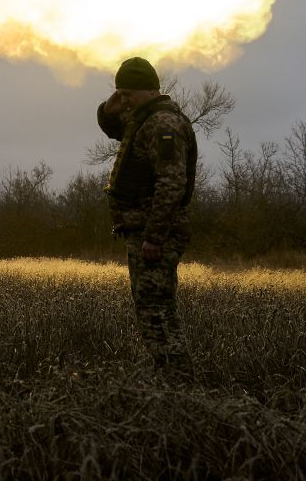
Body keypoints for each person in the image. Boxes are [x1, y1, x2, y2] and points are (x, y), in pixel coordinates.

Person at [98, 56, 198, 378]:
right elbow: (116, 129)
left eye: (128, 94)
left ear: (148, 90)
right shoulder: (144, 119)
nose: (123, 101)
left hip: (154, 234)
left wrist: (155, 237)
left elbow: (171, 184)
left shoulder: (162, 124)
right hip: (143, 231)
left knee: (155, 309)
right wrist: (109, 105)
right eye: (120, 94)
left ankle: (176, 378)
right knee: (154, 307)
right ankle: (170, 374)